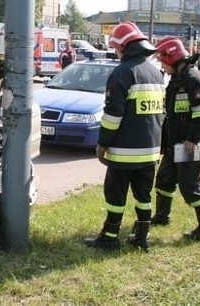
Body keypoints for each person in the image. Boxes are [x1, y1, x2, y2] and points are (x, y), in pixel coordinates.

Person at [84, 21, 165, 251]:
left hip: (124, 152)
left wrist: (102, 144)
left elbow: (112, 116)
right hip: (150, 151)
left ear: (124, 47)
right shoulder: (156, 74)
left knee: (115, 194)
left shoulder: (122, 73)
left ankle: (110, 237)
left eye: (116, 48)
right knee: (144, 195)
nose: (115, 52)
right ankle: (142, 237)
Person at [151, 37, 200, 241]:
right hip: (175, 144)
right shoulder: (177, 78)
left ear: (171, 58)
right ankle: (162, 216)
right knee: (164, 180)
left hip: (189, 145)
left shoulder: (192, 78)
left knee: (189, 186)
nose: (161, 65)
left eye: (162, 61)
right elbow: (171, 115)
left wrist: (192, 139)